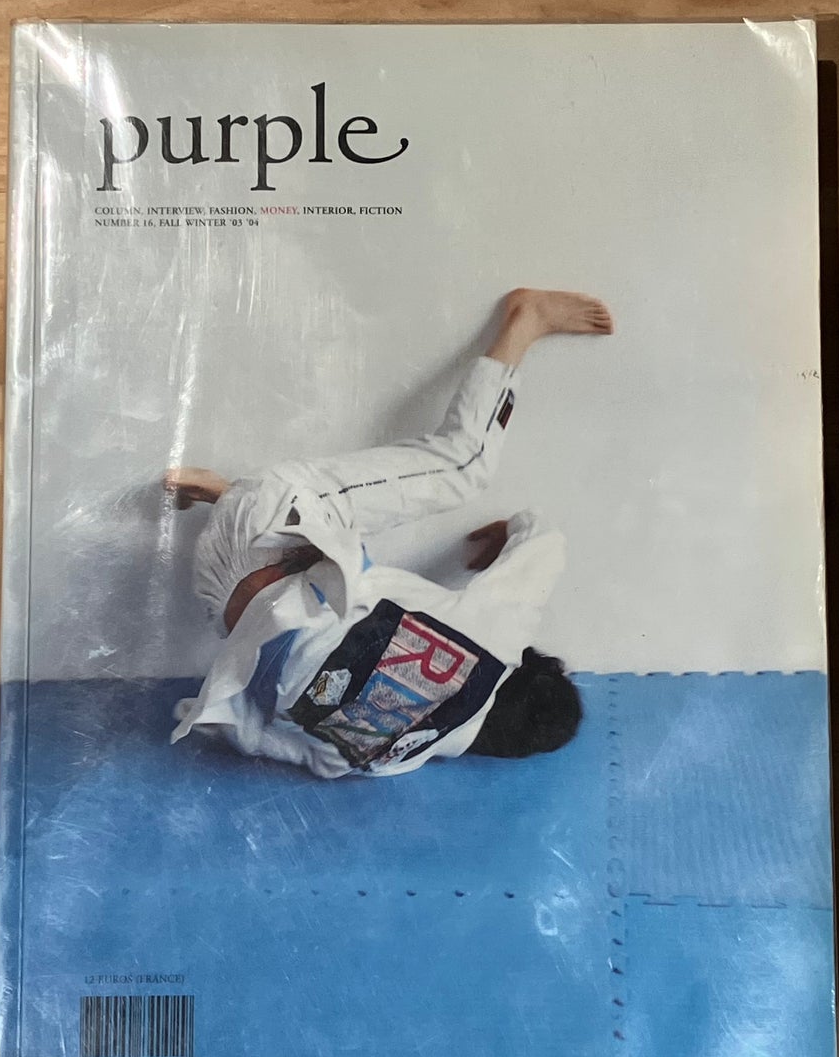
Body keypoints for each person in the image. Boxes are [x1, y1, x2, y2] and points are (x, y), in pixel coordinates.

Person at [164, 287, 613, 778]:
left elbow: (546, 542)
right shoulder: (390, 760)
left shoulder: (500, 641)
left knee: (465, 469)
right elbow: (274, 743)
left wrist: (512, 530)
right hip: (216, 592)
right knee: (321, 605)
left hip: (271, 518)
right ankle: (229, 500)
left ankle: (526, 318)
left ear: (529, 670)